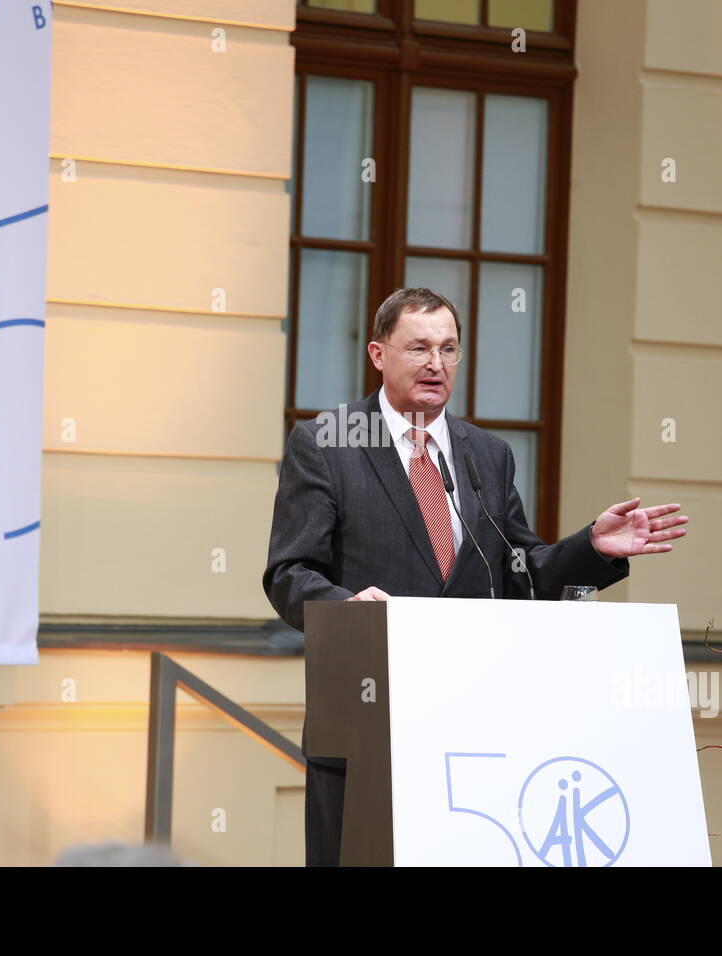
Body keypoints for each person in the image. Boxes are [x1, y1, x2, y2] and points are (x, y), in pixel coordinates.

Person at [262, 288, 688, 866]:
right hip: (369, 717)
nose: (436, 364)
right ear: (378, 354)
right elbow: (290, 572)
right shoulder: (326, 444)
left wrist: (590, 547)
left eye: (449, 349)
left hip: (473, 725)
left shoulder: (486, 455)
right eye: (418, 348)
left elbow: (520, 574)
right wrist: (346, 607)